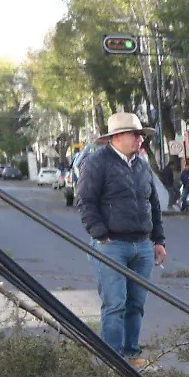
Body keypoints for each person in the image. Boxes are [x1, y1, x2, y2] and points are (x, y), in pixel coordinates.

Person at [76, 111, 166, 362]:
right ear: (117, 136)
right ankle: (112, 361)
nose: (140, 139)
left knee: (136, 304)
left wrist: (158, 241)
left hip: (142, 245)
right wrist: (100, 234)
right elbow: (85, 202)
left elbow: (154, 204)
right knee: (115, 305)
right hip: (111, 245)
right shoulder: (97, 163)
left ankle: (131, 353)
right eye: (135, 134)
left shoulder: (142, 165)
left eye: (141, 135)